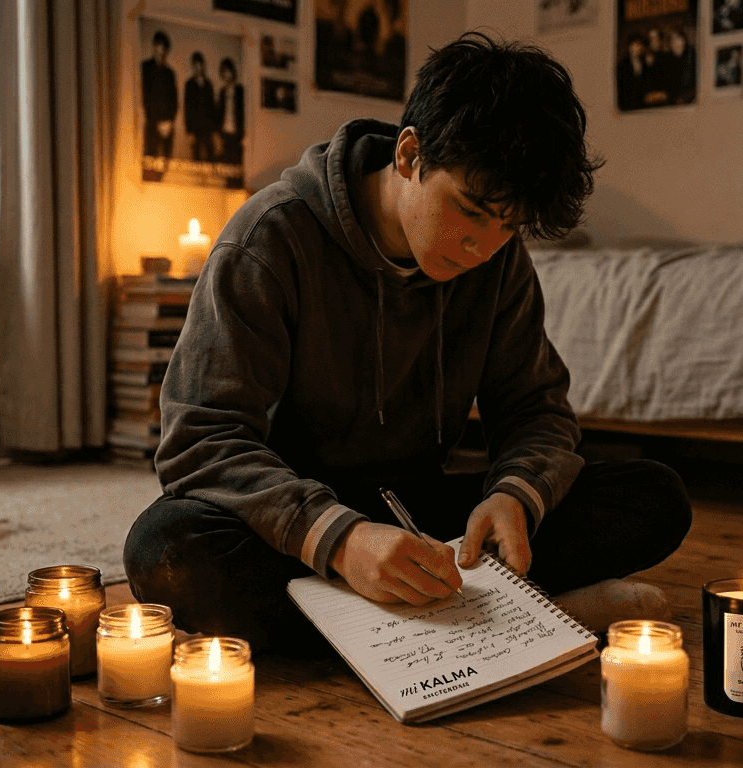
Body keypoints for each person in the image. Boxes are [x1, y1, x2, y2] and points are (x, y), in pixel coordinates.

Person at [123, 32, 693, 654]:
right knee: (165, 547)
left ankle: (385, 625)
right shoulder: (269, 239)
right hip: (296, 516)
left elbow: (536, 411)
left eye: (509, 226)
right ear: (409, 153)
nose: (482, 246)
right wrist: (341, 540)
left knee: (655, 495)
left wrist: (514, 496)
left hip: (419, 516)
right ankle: (511, 614)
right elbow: (200, 438)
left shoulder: (499, 261)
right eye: (470, 209)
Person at [140, 31, 178, 167]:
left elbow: (174, 100)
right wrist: (157, 122)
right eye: (158, 46)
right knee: (150, 162)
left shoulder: (170, 73)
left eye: (164, 48)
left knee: (166, 164)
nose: (161, 51)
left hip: (168, 125)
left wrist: (169, 122)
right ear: (154, 46)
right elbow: (145, 97)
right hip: (151, 123)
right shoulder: (144, 67)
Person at [183, 52, 216, 163]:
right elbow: (187, 109)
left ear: (203, 66)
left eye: (200, 65)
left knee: (210, 158)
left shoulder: (208, 84)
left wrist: (213, 130)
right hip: (195, 129)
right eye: (195, 66)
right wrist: (189, 131)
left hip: (208, 128)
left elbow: (212, 108)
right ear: (193, 67)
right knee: (196, 158)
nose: (198, 68)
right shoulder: (189, 84)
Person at [214, 57, 245, 166]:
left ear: (232, 72)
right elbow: (218, 113)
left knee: (237, 164)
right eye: (224, 72)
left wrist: (243, 133)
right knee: (225, 164)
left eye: (228, 71)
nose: (227, 75)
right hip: (224, 133)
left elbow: (243, 113)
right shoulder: (222, 92)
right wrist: (218, 133)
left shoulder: (240, 90)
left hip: (237, 133)